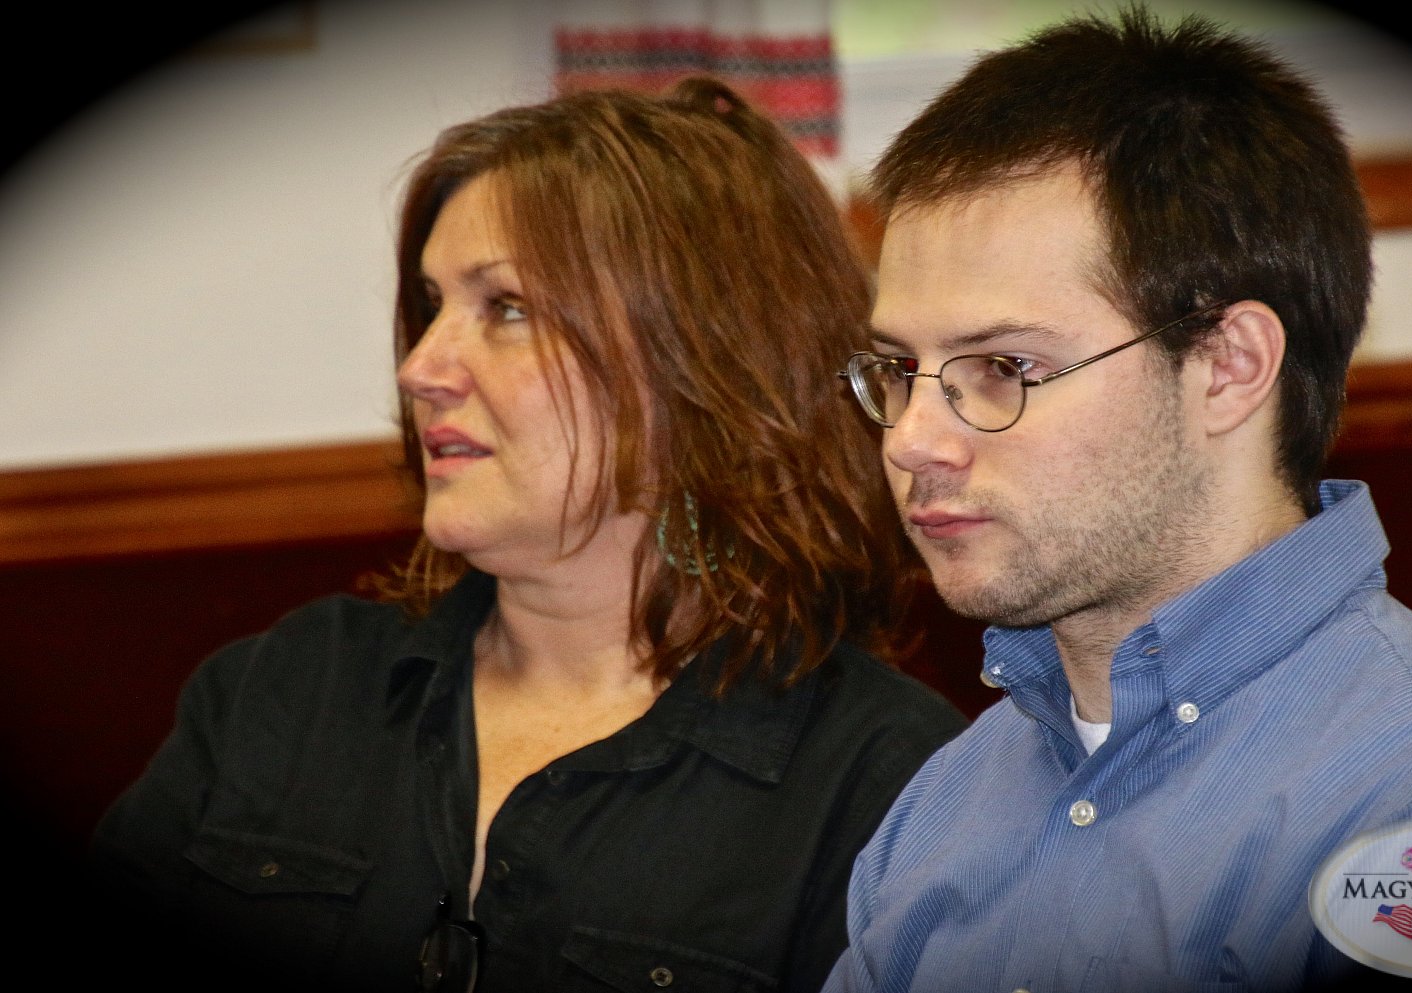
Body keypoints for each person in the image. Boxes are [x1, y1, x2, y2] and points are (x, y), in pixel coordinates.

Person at [87, 77, 968, 993]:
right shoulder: (283, 688)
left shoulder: (884, 782)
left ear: (700, 360)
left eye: (506, 308)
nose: (420, 366)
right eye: (431, 305)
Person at [824, 7, 1412, 993]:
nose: (910, 441)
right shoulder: (946, 802)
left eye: (1005, 367)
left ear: (1228, 368)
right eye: (900, 369)